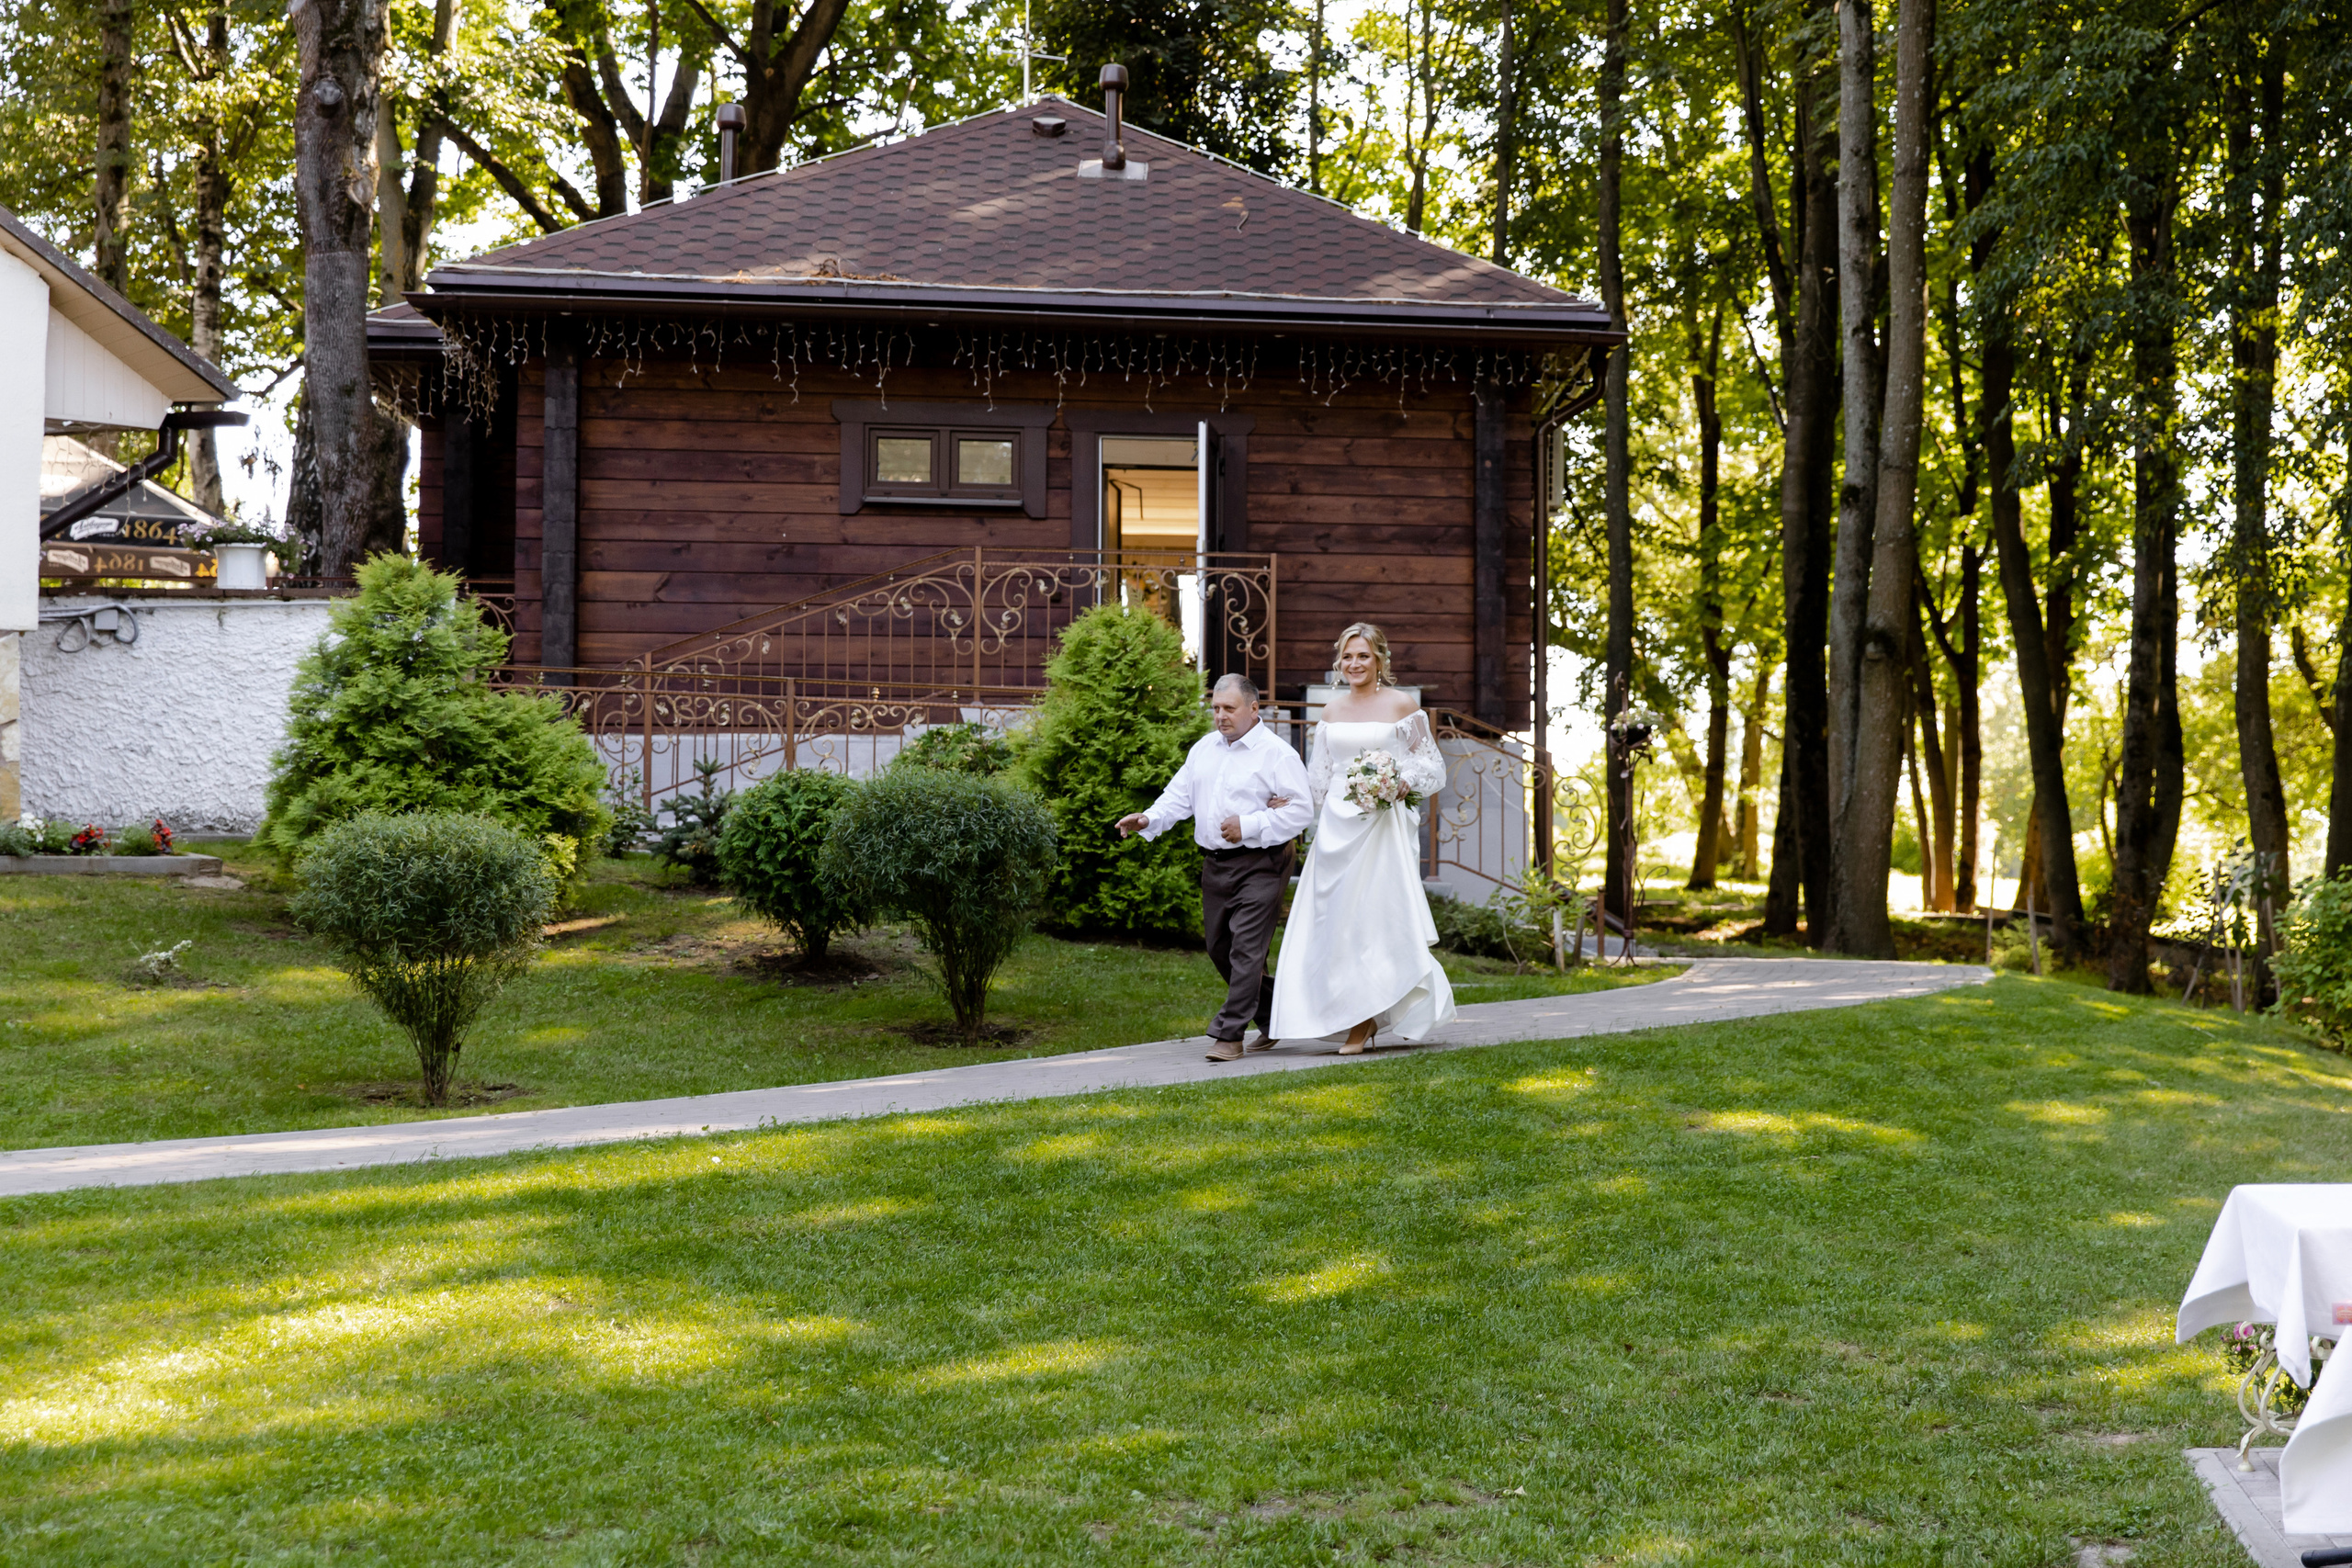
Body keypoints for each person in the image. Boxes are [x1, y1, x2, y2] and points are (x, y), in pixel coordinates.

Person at [1269, 623, 1457, 1053]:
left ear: (1380, 661)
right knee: (1333, 922)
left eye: (1363, 656)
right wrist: (1286, 801)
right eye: (1348, 657)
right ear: (1340, 662)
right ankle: (1344, 1011)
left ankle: (1363, 1020)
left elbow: (1433, 767)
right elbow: (1317, 778)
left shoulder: (1403, 706)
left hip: (1381, 827)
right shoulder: (1331, 712)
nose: (1354, 664)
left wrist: (1401, 781)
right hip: (1336, 828)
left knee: (1372, 919)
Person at [1117, 673, 1313, 1062]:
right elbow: (1179, 797)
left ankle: (1229, 1035)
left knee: (1245, 949)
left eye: (1229, 709)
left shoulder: (1277, 754)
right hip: (1216, 865)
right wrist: (1149, 819)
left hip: (1264, 862)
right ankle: (1276, 1016)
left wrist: (1250, 824)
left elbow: (1301, 811)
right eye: (1216, 709)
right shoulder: (1204, 749)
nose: (1220, 716)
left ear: (1253, 709)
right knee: (1218, 946)